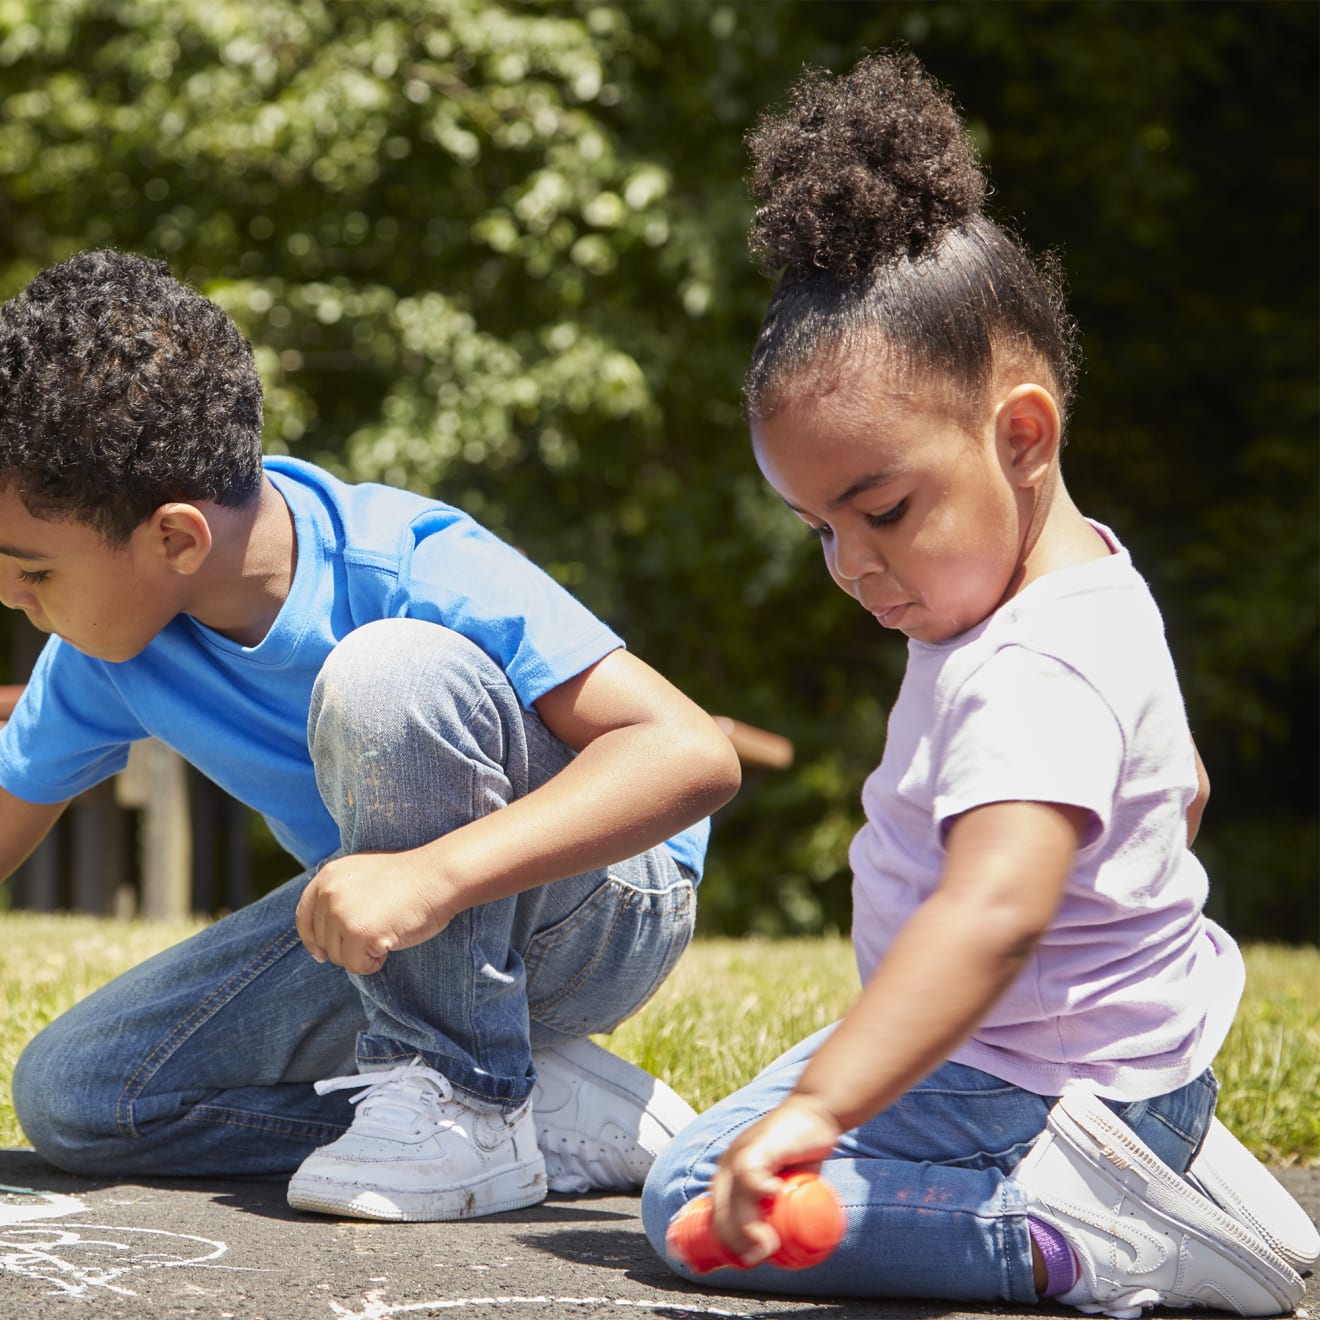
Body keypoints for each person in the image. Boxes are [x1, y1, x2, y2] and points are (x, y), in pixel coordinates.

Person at [641, 49, 1317, 1314]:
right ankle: (1157, 1158)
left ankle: (1081, 1230)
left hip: (1034, 1074)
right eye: (818, 528)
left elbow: (996, 915)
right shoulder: (1077, 588)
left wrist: (831, 1107)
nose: (849, 564)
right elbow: (1186, 791)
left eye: (880, 509)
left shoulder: (1035, 662)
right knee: (749, 1138)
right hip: (1103, 1061)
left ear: (1020, 435)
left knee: (693, 1196)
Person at [0, 248, 742, 1222]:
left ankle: (469, 1101)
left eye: (31, 568)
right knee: (84, 1097)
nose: (11, 594)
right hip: (397, 930)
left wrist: (433, 877)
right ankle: (537, 1105)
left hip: (598, 906)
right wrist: (407, 887)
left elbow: (691, 754)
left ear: (176, 538)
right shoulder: (111, 649)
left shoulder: (407, 564)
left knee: (386, 675)